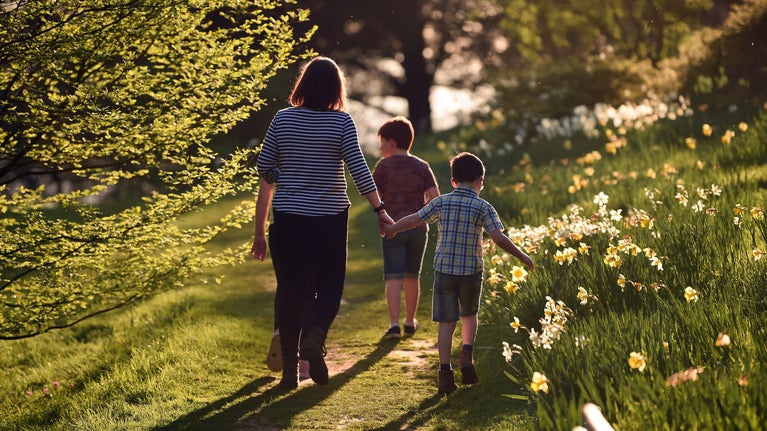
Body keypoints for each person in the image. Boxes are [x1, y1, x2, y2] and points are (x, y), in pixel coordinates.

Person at [251, 56, 394, 390]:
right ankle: (314, 337)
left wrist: (287, 179)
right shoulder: (340, 123)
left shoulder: (283, 119)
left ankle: (288, 373)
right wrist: (379, 210)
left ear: (303, 84)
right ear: (336, 88)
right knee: (330, 286)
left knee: (291, 291)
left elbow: (264, 166)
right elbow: (359, 169)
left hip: (288, 218)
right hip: (329, 219)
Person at [381, 152, 534, 394]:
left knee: (446, 323)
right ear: (479, 180)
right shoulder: (484, 206)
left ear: (453, 182)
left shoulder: (441, 203)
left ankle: (444, 373)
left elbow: (415, 219)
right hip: (471, 272)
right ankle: (466, 355)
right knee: (469, 315)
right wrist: (522, 256)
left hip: (445, 272)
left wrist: (393, 229)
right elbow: (498, 237)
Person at [372, 116, 439, 340]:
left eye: (382, 142)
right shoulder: (422, 166)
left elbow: (373, 195)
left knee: (393, 277)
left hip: (392, 229)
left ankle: (393, 325)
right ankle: (409, 322)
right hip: (418, 229)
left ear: (391, 142)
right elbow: (435, 197)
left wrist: (382, 214)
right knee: (412, 276)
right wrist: (423, 216)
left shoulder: (383, 167)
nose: (380, 147)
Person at [251, 179, 309, 380]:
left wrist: (259, 233)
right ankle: (305, 358)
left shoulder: (277, 146)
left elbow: (264, 193)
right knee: (309, 289)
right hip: (317, 223)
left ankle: (280, 332)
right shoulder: (320, 146)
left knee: (286, 286)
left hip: (283, 225)